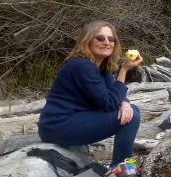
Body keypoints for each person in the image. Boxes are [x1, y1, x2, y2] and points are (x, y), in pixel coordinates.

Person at [38, 20, 143, 166]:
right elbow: (108, 103)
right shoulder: (81, 65)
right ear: (87, 41)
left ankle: (122, 166)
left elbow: (115, 94)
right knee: (132, 116)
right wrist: (124, 70)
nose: (107, 42)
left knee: (132, 110)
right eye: (100, 38)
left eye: (111, 39)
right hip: (58, 126)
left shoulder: (101, 67)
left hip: (74, 119)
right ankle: (122, 169)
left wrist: (124, 102)